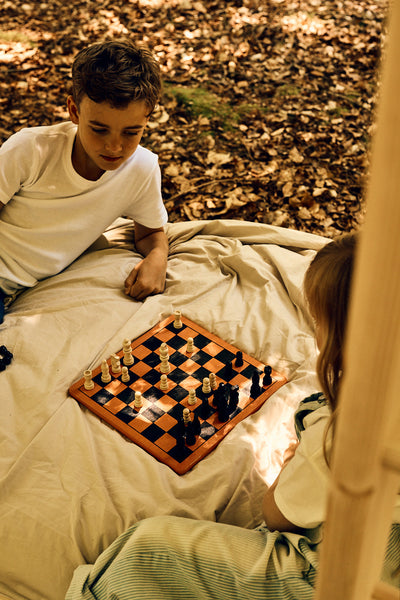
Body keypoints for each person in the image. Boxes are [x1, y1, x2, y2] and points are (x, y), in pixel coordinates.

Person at [65, 233, 400, 600]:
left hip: (347, 577)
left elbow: (276, 515)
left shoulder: (344, 432)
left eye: (318, 320)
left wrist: (294, 467)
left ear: (343, 336)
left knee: (145, 550)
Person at [0, 39, 169, 327]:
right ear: (74, 111)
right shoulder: (30, 150)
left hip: (37, 286)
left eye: (131, 132)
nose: (114, 146)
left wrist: (158, 256)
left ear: (147, 120)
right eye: (99, 129)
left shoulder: (142, 168)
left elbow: (149, 233)